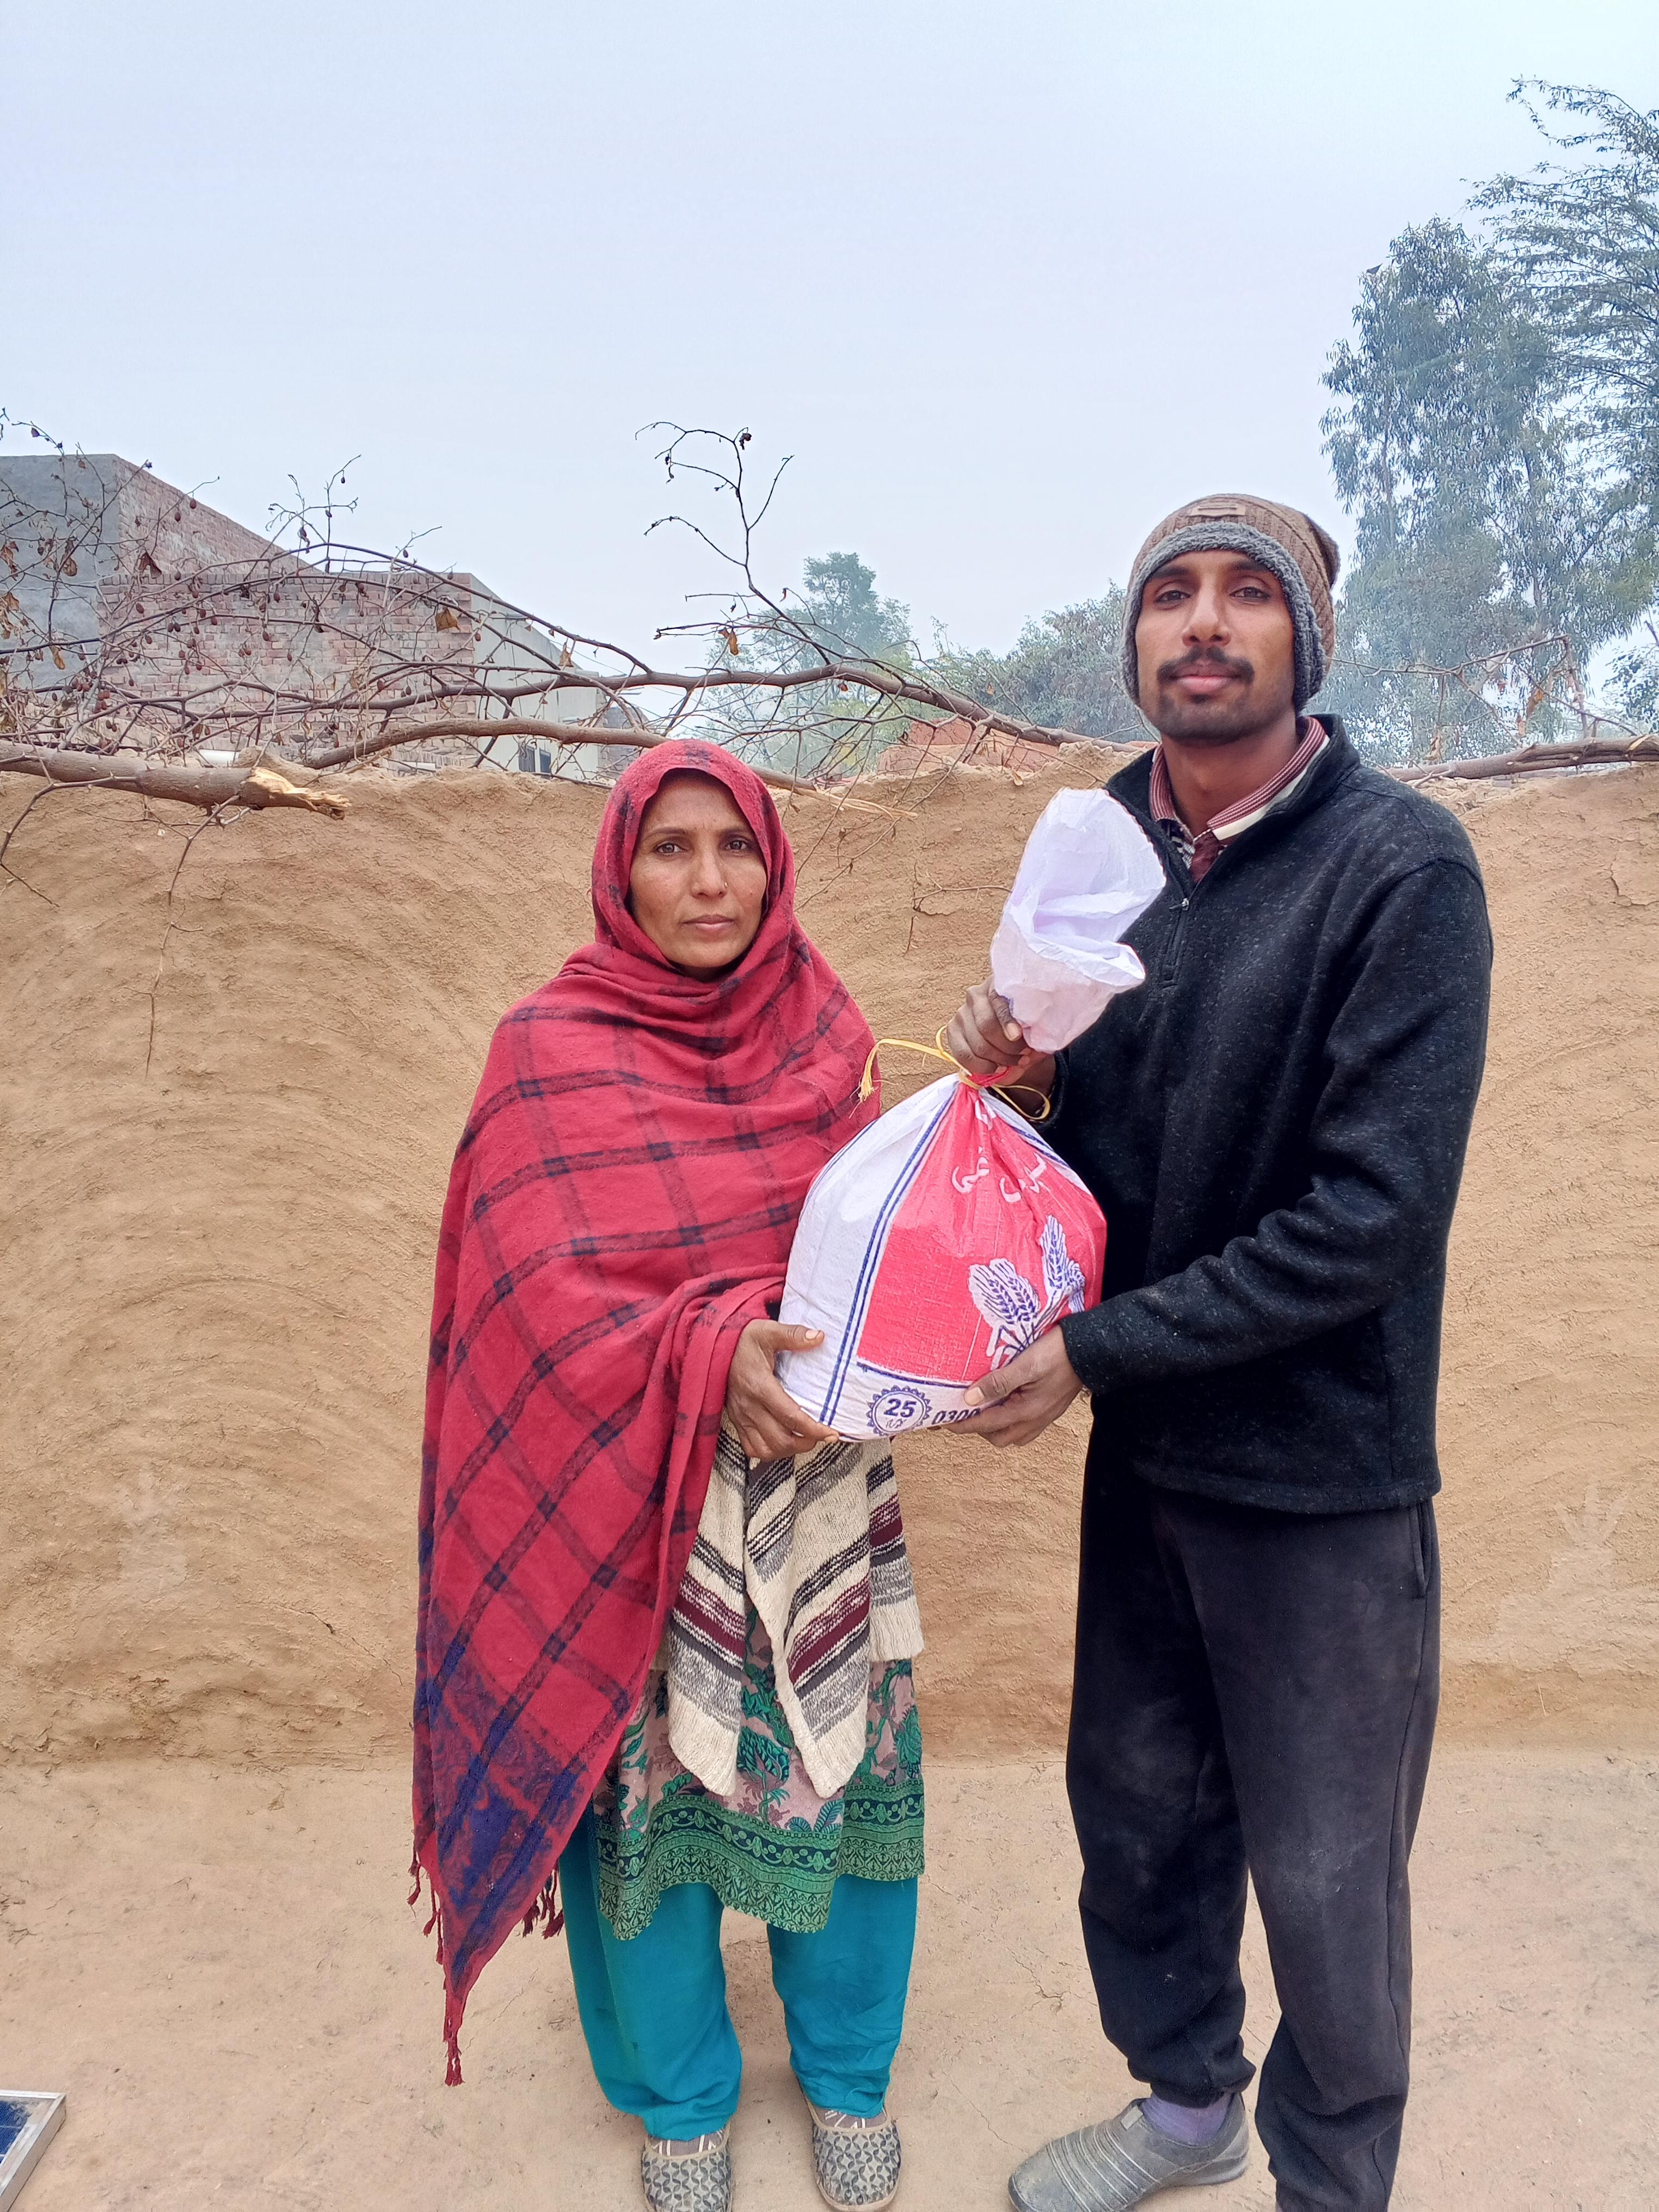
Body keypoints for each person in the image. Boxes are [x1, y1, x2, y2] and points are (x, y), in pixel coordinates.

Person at [945, 495, 1492, 2212]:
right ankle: (1188, 2112)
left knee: (1331, 1887)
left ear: (1305, 645)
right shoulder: (1101, 849)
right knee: (1138, 1822)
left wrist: (1101, 1350)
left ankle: (1333, 2187)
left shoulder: (1399, 868)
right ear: (1132, 644)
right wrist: (1027, 1088)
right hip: (1152, 1458)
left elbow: (1370, 1220)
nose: (1203, 622)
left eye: (1249, 594)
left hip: (1321, 1484)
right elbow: (1097, 1169)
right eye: (1170, 593)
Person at [413, 741, 924, 2212]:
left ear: (774, 865)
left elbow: (878, 1254)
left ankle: (847, 2073)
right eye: (671, 848)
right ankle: (681, 2095)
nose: (709, 880)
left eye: (736, 847)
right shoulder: (545, 1050)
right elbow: (528, 1299)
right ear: (620, 871)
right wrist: (708, 1355)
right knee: (646, 1798)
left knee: (844, 1770)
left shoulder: (830, 1034)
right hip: (630, 1506)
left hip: (818, 1490)